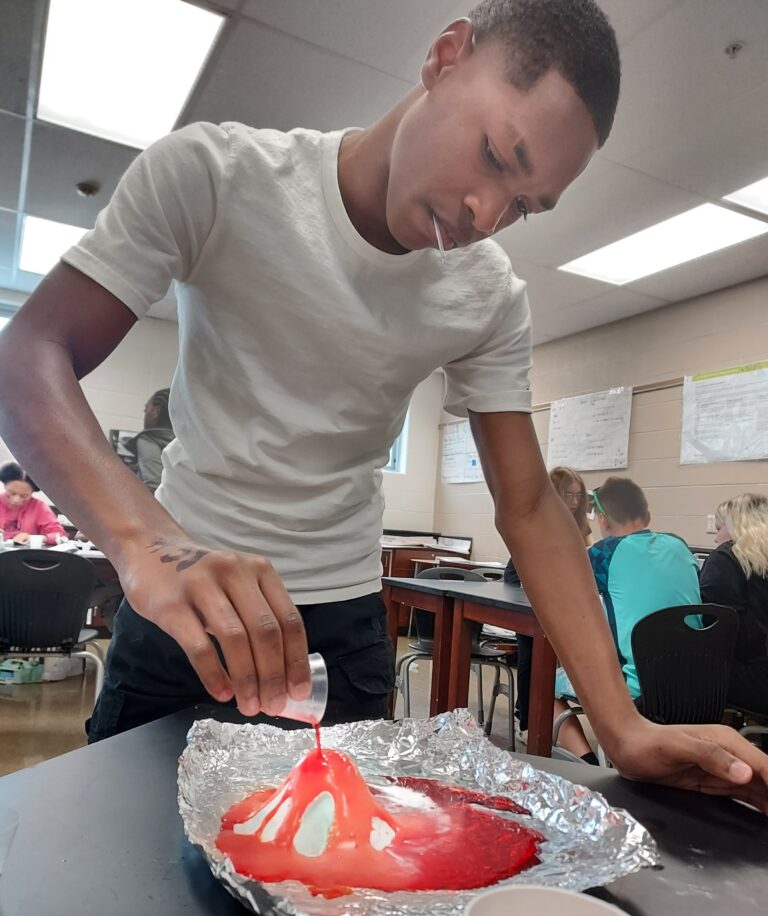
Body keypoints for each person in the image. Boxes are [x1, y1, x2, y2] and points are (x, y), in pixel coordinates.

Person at [0, 1, 766, 809]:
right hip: (182, 616)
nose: (486, 215)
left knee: (334, 897)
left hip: (341, 630)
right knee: (124, 871)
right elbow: (29, 355)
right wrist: (146, 545)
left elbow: (533, 505)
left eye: (526, 205)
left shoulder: (488, 297)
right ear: (445, 56)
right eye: (497, 156)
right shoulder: (216, 175)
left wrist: (622, 725)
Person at [553, 477, 701, 760]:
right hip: (697, 683)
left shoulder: (602, 554)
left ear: (603, 521)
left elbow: (562, 595)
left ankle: (587, 762)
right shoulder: (680, 545)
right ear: (647, 516)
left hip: (637, 687)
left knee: (545, 680)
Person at [504, 465, 591, 735]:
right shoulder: (537, 519)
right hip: (522, 581)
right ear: (555, 493)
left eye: (579, 496)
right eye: (569, 495)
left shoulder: (578, 524)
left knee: (550, 653)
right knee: (530, 650)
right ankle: (527, 721)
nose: (575, 502)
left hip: (552, 585)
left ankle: (541, 715)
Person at [700, 494, 768, 716]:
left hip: (752, 680)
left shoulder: (726, 557)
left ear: (735, 528)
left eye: (719, 529)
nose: (715, 538)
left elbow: (711, 627)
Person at [0, 462, 67, 545]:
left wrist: (36, 538)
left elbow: (59, 535)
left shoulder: (39, 507)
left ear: (32, 492)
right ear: (5, 486)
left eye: (24, 496)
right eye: (11, 493)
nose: (16, 500)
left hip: (24, 556)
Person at [123, 388, 175, 494]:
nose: (145, 413)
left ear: (156, 411)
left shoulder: (148, 439)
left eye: (146, 409)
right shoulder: (182, 442)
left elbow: (153, 486)